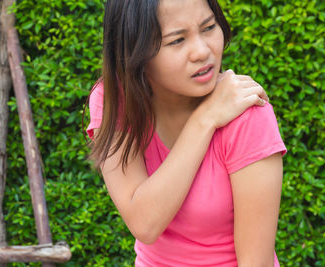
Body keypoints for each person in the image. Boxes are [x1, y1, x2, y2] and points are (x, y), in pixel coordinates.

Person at [86, 0, 287, 266]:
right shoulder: (115, 102)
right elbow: (145, 223)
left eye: (208, 27)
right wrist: (204, 120)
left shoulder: (249, 116)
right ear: (136, 51)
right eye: (177, 40)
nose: (202, 52)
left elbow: (255, 262)